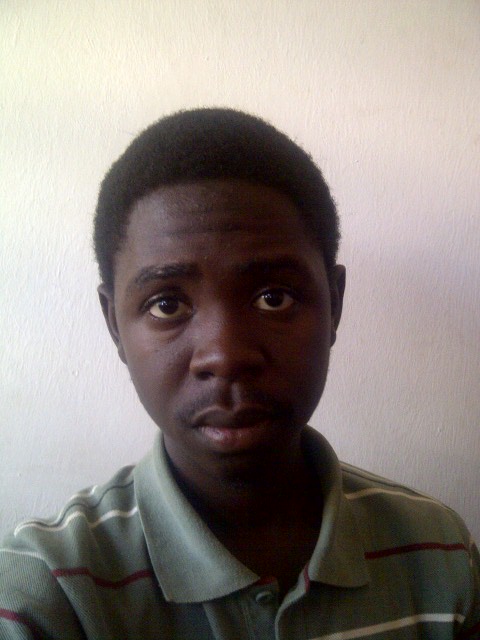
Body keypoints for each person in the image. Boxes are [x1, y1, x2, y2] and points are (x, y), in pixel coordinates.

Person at [0, 108, 478, 640]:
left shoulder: (439, 555)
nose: (225, 355)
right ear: (114, 324)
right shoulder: (49, 590)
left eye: (274, 297)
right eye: (166, 304)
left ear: (335, 304)